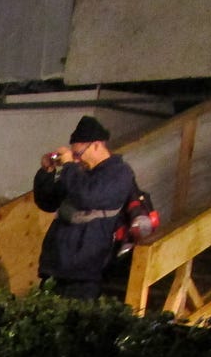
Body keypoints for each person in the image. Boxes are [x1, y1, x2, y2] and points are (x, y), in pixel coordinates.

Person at [32, 115, 138, 300]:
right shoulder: (77, 173)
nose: (77, 160)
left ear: (97, 145)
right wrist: (46, 172)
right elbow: (47, 202)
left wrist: (69, 166)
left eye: (79, 154)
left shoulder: (119, 173)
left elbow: (87, 197)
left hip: (85, 273)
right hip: (56, 268)